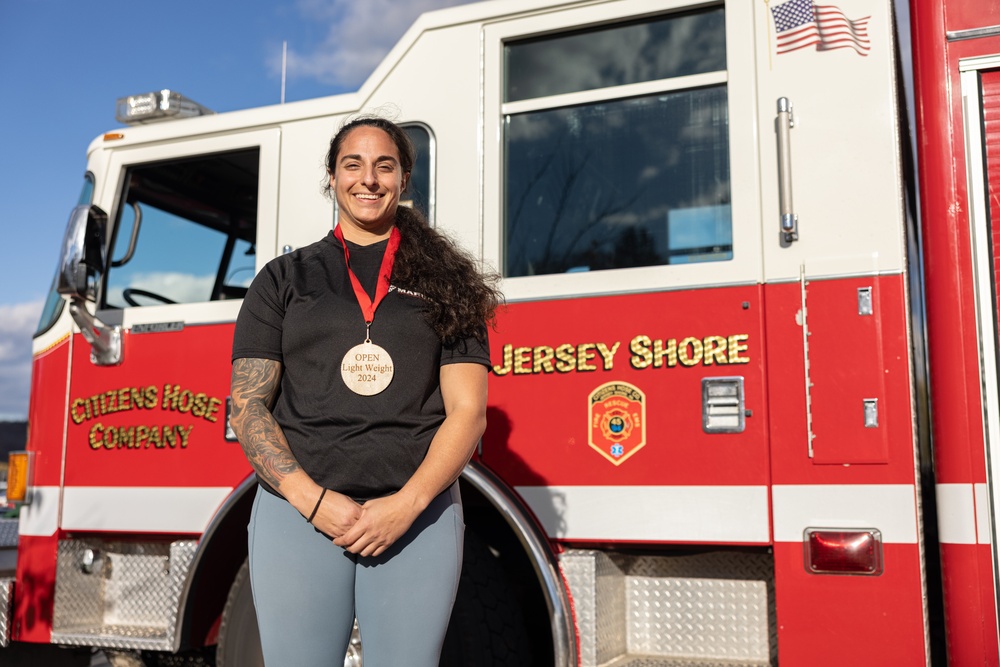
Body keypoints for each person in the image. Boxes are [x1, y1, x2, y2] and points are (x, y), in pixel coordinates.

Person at [229, 115, 501, 666]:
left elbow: (468, 413)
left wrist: (409, 504)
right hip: (300, 515)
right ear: (332, 177)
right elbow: (248, 404)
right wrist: (313, 500)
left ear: (403, 179)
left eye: (385, 166)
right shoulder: (283, 278)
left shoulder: (448, 283)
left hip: (415, 519)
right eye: (353, 164)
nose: (368, 179)